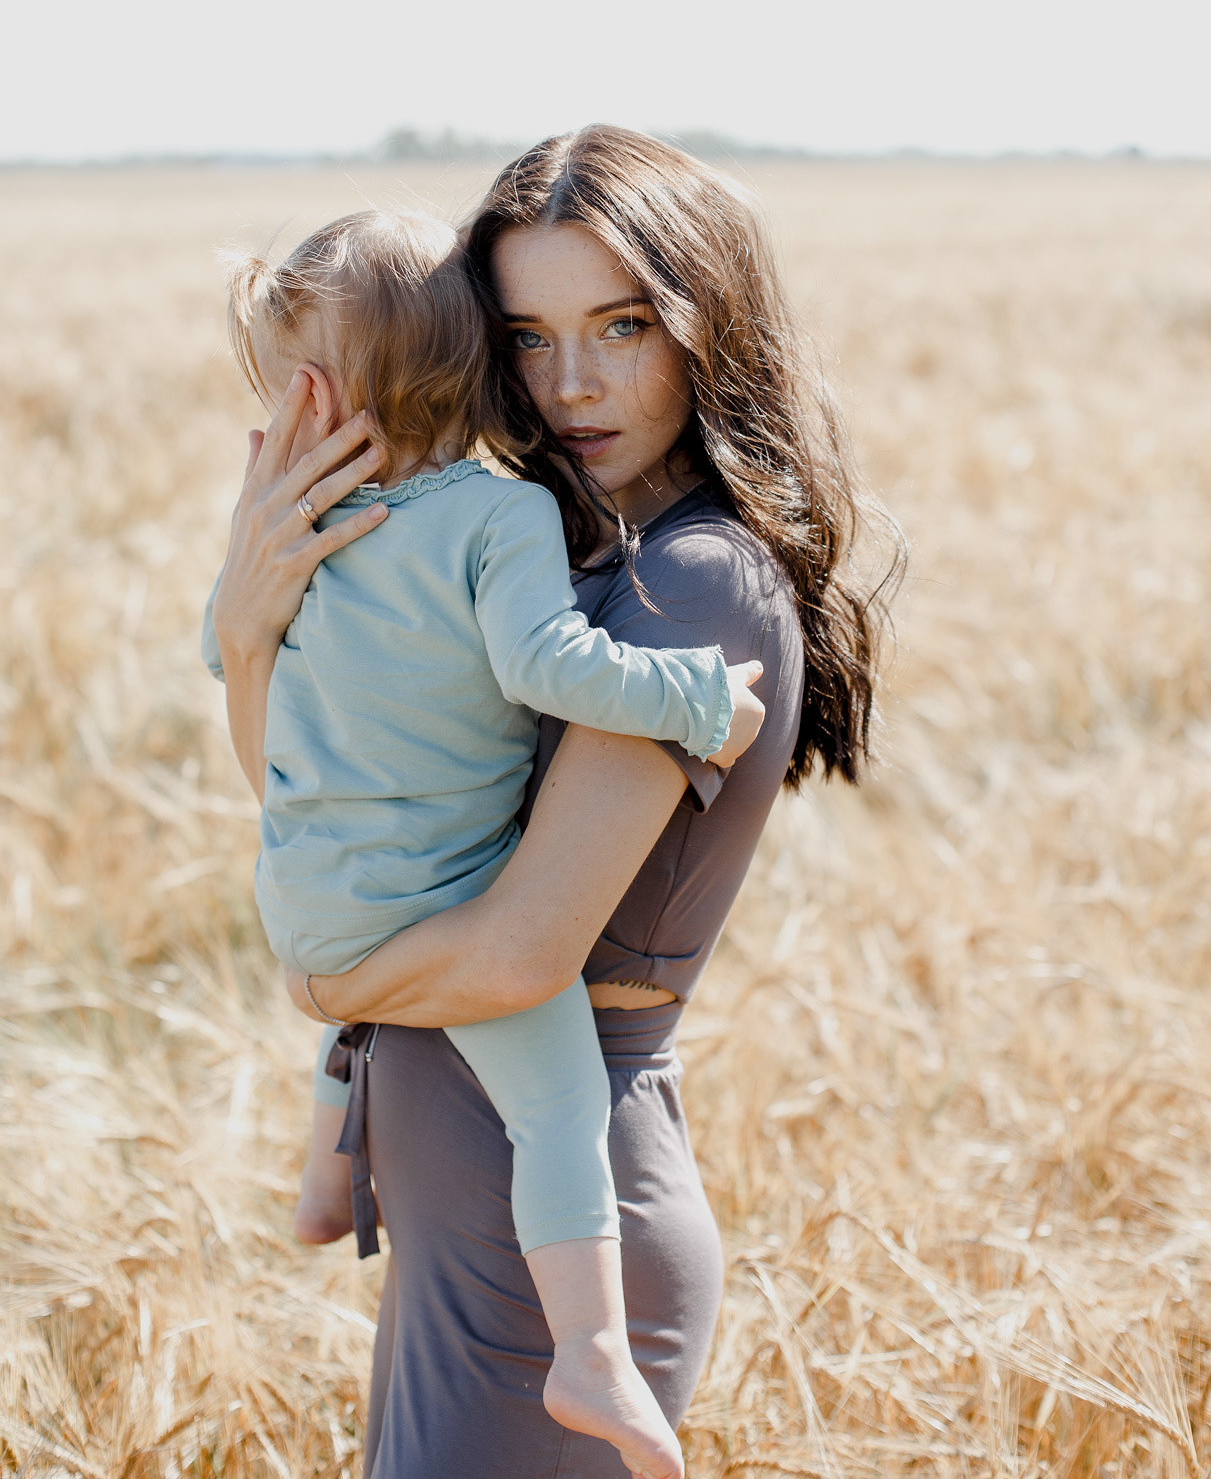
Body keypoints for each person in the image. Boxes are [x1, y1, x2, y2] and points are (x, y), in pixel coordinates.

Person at [210, 127, 898, 1478]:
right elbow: (339, 800)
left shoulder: (688, 586)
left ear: (711, 330)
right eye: (527, 336)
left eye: (623, 326)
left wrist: (323, 984)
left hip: (554, 1248)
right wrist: (251, 626)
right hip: (481, 1207)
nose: (571, 382)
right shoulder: (552, 546)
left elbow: (522, 952)